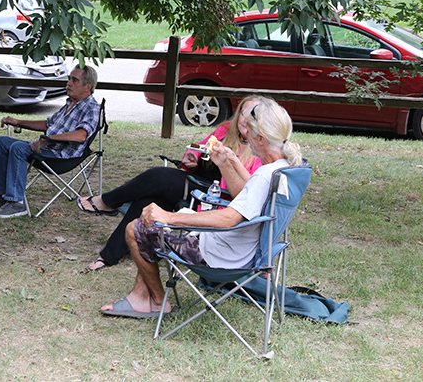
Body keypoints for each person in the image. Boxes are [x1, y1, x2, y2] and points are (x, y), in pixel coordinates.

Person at [100, 97, 303, 318]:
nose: (247, 138)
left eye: (250, 133)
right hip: (247, 251)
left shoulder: (265, 175)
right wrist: (231, 161)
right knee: (154, 226)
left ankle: (158, 302)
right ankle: (140, 295)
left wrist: (168, 217)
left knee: (135, 229)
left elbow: (228, 219)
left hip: (223, 257)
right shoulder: (287, 167)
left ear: (261, 139)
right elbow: (251, 192)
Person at [81, 96, 264, 271]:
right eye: (243, 113)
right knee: (148, 202)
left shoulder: (257, 151)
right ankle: (109, 255)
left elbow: (244, 194)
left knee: (157, 176)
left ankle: (107, 202)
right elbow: (200, 148)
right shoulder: (225, 129)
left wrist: (230, 162)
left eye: (252, 116)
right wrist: (191, 158)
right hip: (195, 179)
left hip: (213, 195)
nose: (245, 120)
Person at [0, 64, 100, 219]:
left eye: (74, 80)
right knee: (0, 142)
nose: (68, 83)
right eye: (69, 79)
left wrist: (48, 139)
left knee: (18, 148)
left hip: (62, 156)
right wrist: (18, 121)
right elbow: (48, 124)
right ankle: (4, 196)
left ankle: (16, 203)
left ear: (87, 87)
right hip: (48, 147)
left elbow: (81, 136)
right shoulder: (69, 103)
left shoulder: (92, 108)